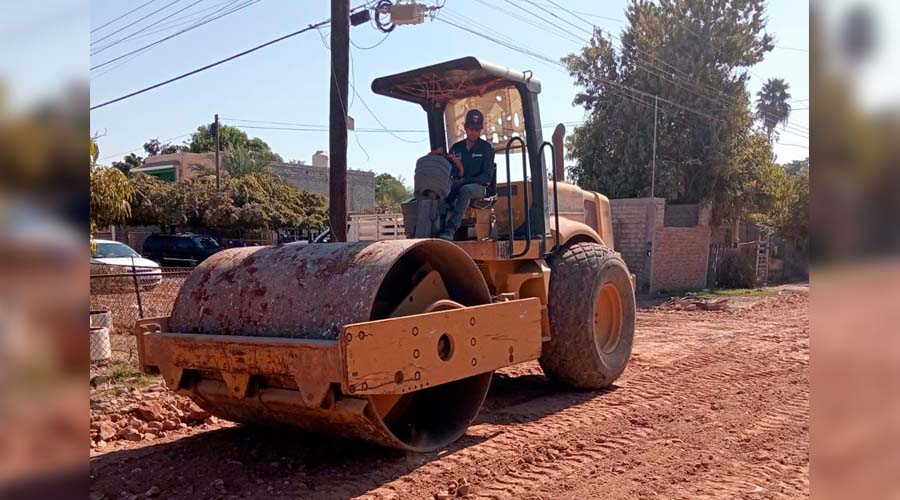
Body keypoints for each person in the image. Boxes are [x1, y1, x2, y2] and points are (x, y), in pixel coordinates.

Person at [439, 109, 495, 240]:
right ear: (465, 128)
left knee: (466, 190)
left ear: (481, 130)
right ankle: (436, 227)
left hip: (480, 188)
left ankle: (450, 231)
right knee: (440, 192)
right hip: (458, 185)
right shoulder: (456, 148)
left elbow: (486, 177)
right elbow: (449, 170)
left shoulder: (486, 148)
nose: (474, 132)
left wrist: (465, 181)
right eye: (471, 129)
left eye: (477, 129)